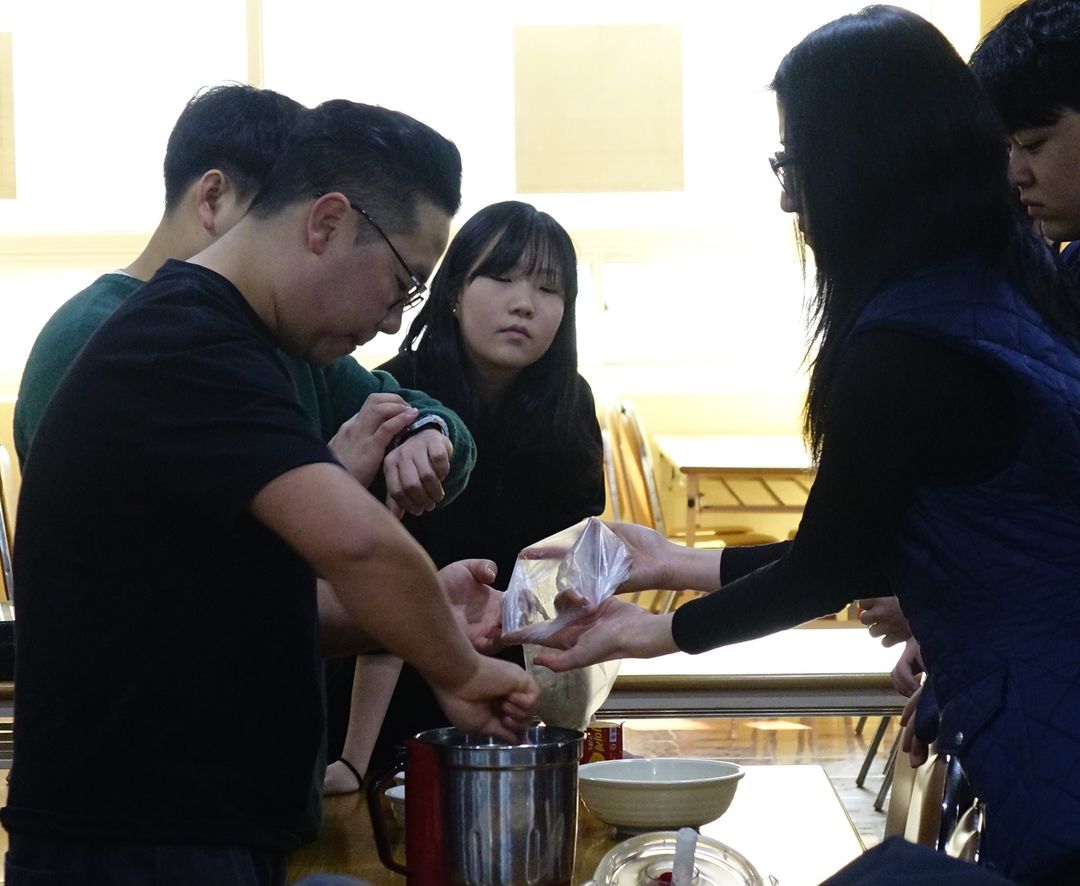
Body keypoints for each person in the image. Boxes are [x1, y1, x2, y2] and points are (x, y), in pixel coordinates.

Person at [507, 7, 1080, 883]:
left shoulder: (908, 345)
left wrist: (653, 633)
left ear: (863, 162)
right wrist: (673, 562)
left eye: (795, 164)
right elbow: (874, 544)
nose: (787, 198)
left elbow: (829, 566)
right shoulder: (1001, 288)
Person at [1, 100, 539, 886]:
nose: (393, 324)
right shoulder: (182, 343)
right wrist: (458, 670)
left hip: (193, 826)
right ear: (327, 222)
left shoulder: (233, 342)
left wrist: (414, 614)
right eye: (402, 284)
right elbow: (359, 543)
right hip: (137, 838)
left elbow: (237, 604)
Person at [14, 84, 476, 517]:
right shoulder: (98, 336)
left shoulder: (284, 335)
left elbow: (416, 412)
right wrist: (328, 486)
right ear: (213, 198)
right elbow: (167, 547)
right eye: (273, 215)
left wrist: (425, 431)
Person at [324, 200, 605, 793]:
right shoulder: (399, 396)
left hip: (513, 690)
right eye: (501, 278)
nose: (524, 303)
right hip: (376, 696)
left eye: (548, 288)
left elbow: (567, 569)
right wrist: (353, 761)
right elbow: (378, 580)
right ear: (454, 289)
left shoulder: (569, 406)